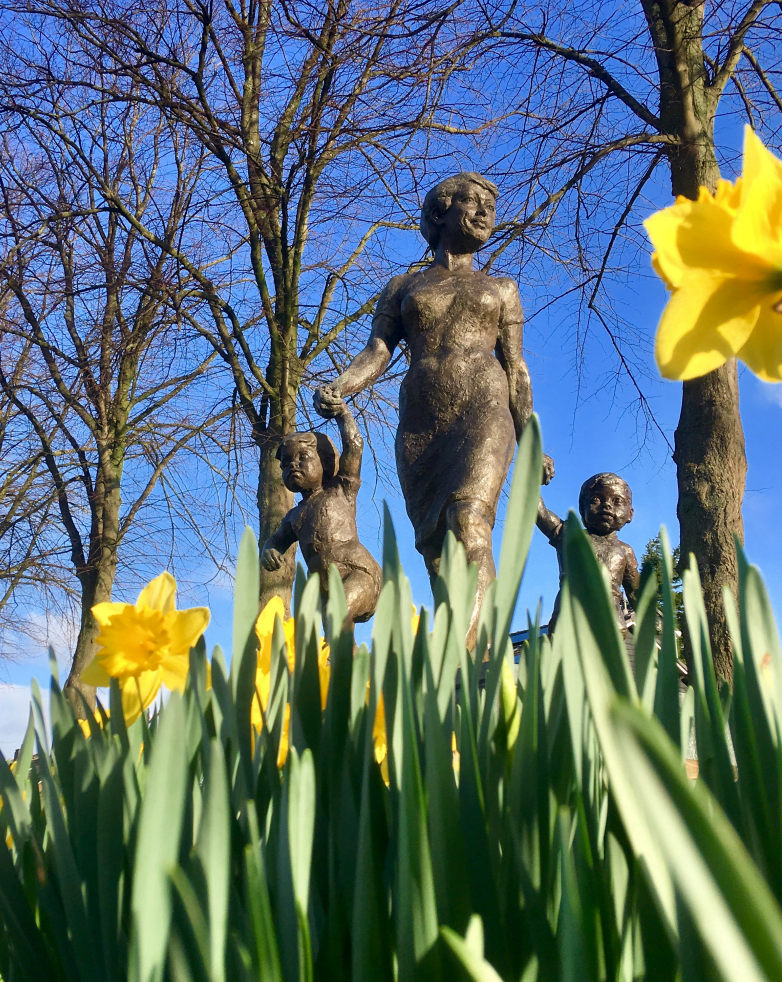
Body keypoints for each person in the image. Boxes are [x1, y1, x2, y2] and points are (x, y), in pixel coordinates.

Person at [314, 172, 553, 646]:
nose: (485, 213)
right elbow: (378, 351)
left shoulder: (501, 288)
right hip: (421, 422)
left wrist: (530, 437)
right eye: (474, 202)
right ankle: (462, 665)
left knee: (469, 520)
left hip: (484, 408)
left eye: (491, 206)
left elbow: (516, 367)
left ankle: (464, 655)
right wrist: (340, 385)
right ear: (440, 212)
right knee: (438, 552)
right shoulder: (403, 286)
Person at [261, 395, 381, 626]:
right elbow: (276, 541)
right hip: (325, 589)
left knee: (338, 614)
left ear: (324, 462)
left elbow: (354, 445)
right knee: (333, 642)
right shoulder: (293, 517)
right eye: (286, 463)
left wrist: (342, 413)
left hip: (358, 573)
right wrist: (269, 550)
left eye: (302, 457)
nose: (292, 465)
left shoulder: (341, 489)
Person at [537, 472, 639, 644]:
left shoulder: (625, 551)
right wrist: (534, 473)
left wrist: (651, 618)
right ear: (581, 508)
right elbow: (539, 511)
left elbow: (635, 592)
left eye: (617, 501)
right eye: (596, 500)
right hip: (569, 617)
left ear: (630, 514)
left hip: (609, 623)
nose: (607, 505)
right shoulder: (569, 535)